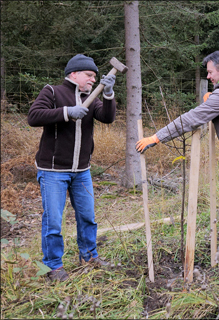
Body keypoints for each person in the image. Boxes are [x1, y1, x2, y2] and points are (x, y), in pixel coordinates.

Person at [136, 51, 219, 267]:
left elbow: (192, 118)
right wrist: (213, 97)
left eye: (210, 72)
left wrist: (157, 137)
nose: (208, 77)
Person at [28, 54, 117, 282]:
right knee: (54, 222)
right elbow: (34, 116)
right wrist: (67, 112)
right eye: (89, 75)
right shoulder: (53, 92)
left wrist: (107, 94)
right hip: (53, 171)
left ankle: (89, 257)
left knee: (88, 217)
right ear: (73, 74)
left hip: (82, 171)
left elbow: (107, 117)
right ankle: (53, 267)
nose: (92, 80)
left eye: (95, 77)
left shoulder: (92, 96)